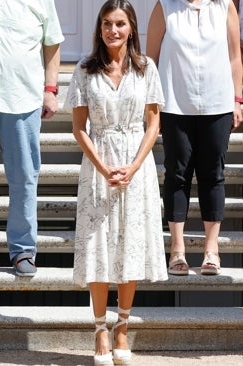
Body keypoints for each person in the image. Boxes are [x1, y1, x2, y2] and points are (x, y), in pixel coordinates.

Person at [65, 0, 168, 364]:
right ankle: (99, 331)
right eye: (107, 23)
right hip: (98, 168)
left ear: (131, 28)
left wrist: (135, 166)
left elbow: (153, 121)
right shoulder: (84, 69)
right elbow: (79, 127)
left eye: (120, 23)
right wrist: (104, 166)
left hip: (136, 168)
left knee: (130, 248)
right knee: (98, 249)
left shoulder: (146, 68)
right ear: (99, 28)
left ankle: (122, 326)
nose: (113, 30)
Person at [146, 0, 242, 276]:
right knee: (177, 174)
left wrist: (237, 100)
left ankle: (211, 251)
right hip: (175, 103)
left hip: (218, 103)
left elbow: (235, 57)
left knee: (213, 174)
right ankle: (177, 251)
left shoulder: (225, 6)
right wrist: (152, 105)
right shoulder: (165, 7)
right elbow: (151, 59)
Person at [0, 0, 64, 276]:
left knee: (24, 177)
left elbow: (52, 43)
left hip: (23, 98)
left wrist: (51, 89)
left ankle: (23, 250)